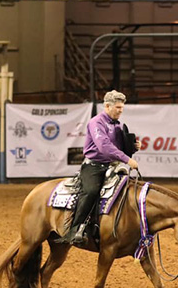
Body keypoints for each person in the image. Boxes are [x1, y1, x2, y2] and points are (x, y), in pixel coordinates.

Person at [59, 90, 140, 245]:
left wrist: (134, 148)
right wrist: (126, 159)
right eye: (117, 107)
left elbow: (121, 147)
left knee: (126, 190)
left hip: (112, 166)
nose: (120, 110)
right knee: (91, 191)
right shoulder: (96, 122)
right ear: (107, 106)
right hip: (94, 167)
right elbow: (104, 146)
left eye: (122, 107)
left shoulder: (119, 125)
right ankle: (75, 229)